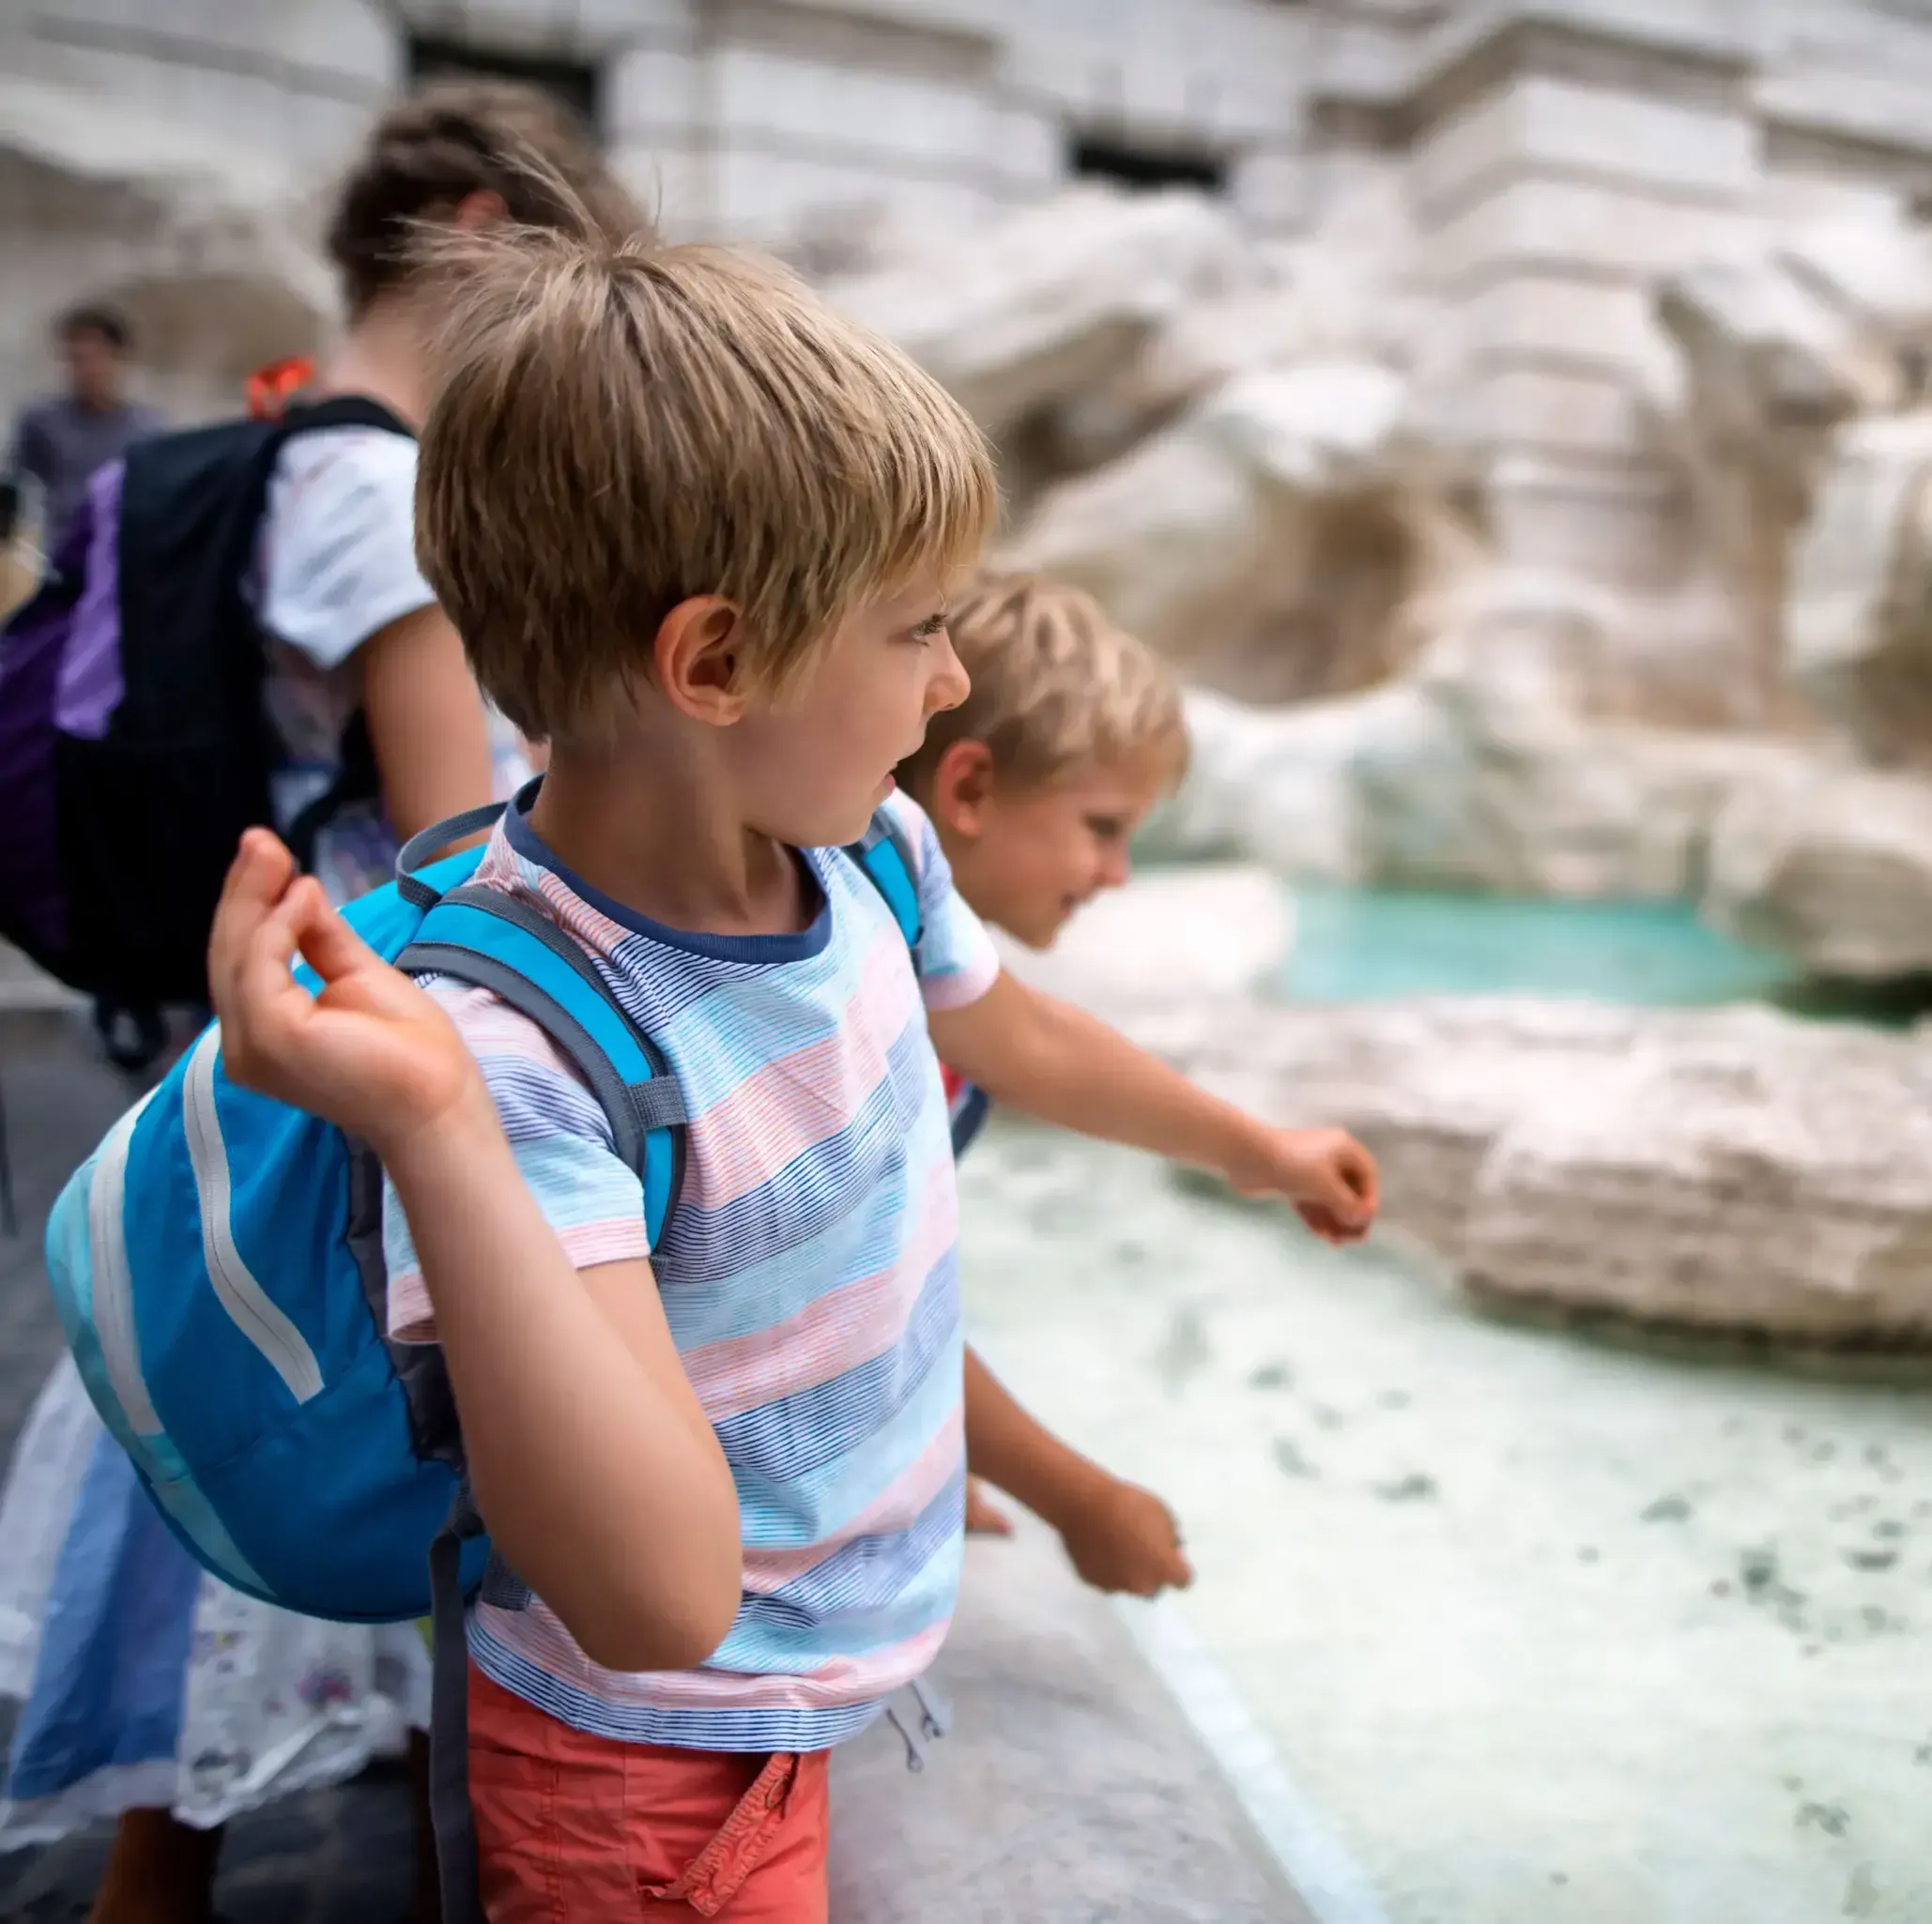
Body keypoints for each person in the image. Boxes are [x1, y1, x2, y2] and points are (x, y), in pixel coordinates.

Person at [202, 214, 1379, 1923]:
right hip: (655, 1777)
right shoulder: (515, 1055)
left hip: (824, 1657)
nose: (955, 676)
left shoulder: (866, 854)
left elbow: (1011, 1031)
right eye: (918, 630)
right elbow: (657, 1600)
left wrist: (1244, 1144)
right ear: (721, 665)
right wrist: (435, 1137)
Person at [0, 78, 643, 1924]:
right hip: (383, 996)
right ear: (470, 230)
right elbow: (460, 830)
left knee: (251, 1401)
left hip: (290, 981)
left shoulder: (299, 449)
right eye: (557, 271)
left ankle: (211, 1842)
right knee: (381, 1407)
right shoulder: (377, 483)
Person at [902, 572, 1195, 1563]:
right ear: (970, 788)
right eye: (1101, 827)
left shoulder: (918, 967)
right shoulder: (873, 1005)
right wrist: (1083, 1502)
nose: (1116, 874)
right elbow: (870, 1310)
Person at [8, 305, 163, 555]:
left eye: (94, 358)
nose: (85, 370)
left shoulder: (148, 431)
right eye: (75, 359)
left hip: (120, 556)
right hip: (55, 555)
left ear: (119, 359)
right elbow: (18, 489)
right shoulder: (42, 421)